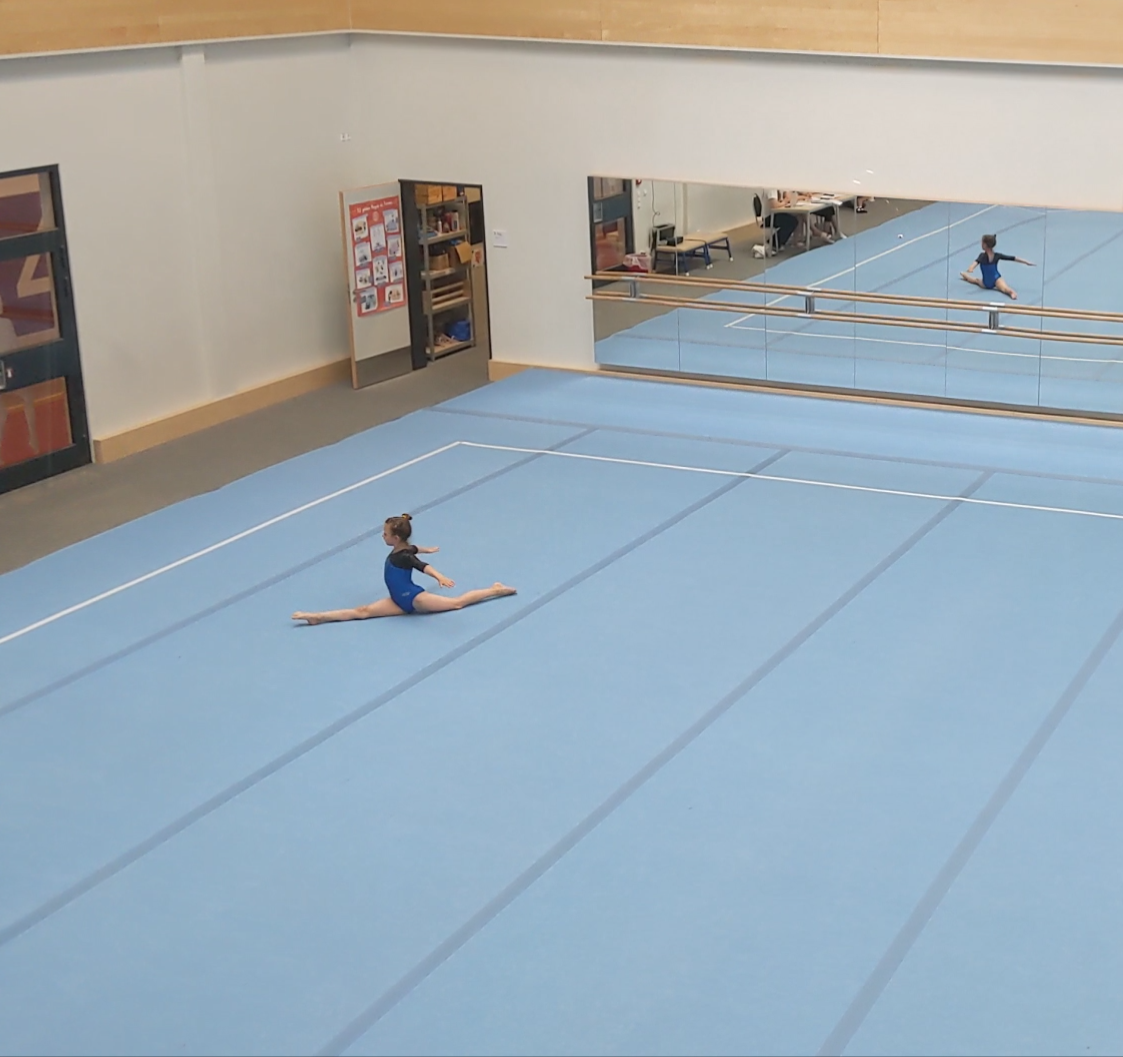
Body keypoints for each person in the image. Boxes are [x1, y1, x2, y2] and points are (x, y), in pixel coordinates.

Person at [291, 514, 516, 624]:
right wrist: (427, 549)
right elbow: (416, 549)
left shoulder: (405, 556)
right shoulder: (405, 549)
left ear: (396, 538)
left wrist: (440, 577)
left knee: (456, 603)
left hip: (415, 599)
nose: (383, 536)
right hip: (397, 600)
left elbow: (422, 566)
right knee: (362, 611)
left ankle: (494, 589)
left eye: (385, 534)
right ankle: (318, 617)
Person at [960, 234, 1034, 300]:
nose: (981, 244)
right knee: (976, 280)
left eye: (982, 243)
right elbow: (975, 263)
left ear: (985, 245)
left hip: (994, 280)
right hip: (990, 281)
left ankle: (1012, 292)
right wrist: (971, 268)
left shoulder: (985, 256)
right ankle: (964, 275)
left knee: (1004, 288)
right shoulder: (991, 256)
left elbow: (1012, 258)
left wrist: (1026, 262)